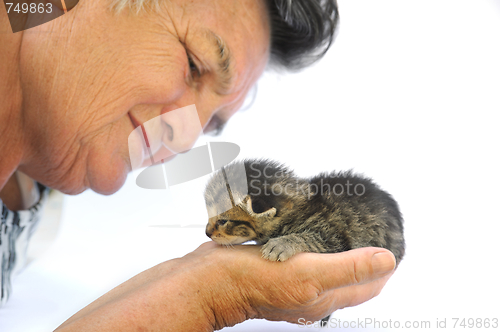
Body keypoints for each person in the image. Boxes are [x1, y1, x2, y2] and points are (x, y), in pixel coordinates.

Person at [0, 0, 398, 330]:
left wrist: (204, 285)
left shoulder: (33, 210)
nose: (186, 138)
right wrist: (212, 298)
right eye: (193, 64)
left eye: (208, 125)